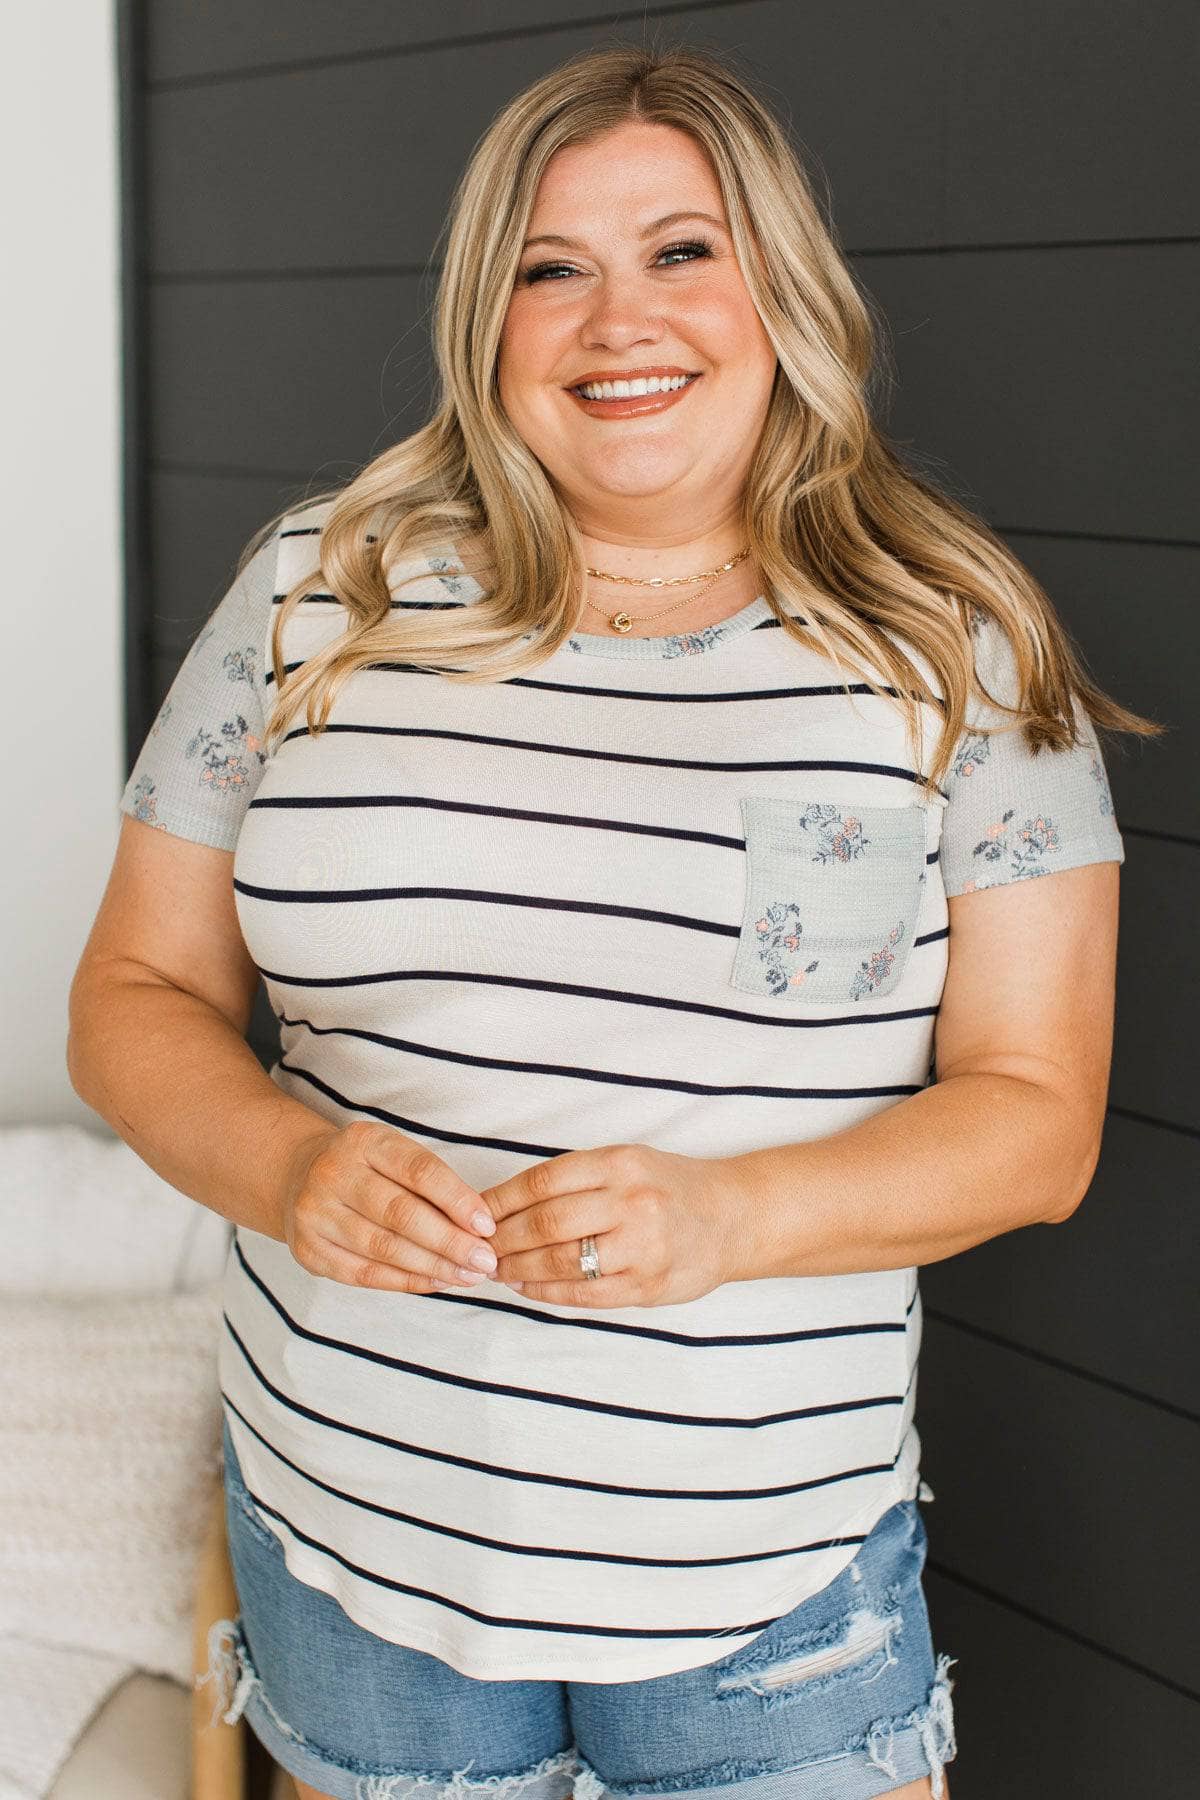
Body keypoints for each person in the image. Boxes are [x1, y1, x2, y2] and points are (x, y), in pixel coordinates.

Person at [68, 41, 1158, 1800]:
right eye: (550, 268)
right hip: (352, 1545)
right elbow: (131, 992)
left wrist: (733, 1213)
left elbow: (1039, 1123)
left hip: (768, 1583)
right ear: (484, 319)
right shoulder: (315, 587)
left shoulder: (957, 644)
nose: (616, 319)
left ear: (779, 287)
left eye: (681, 250)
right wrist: (285, 1165)